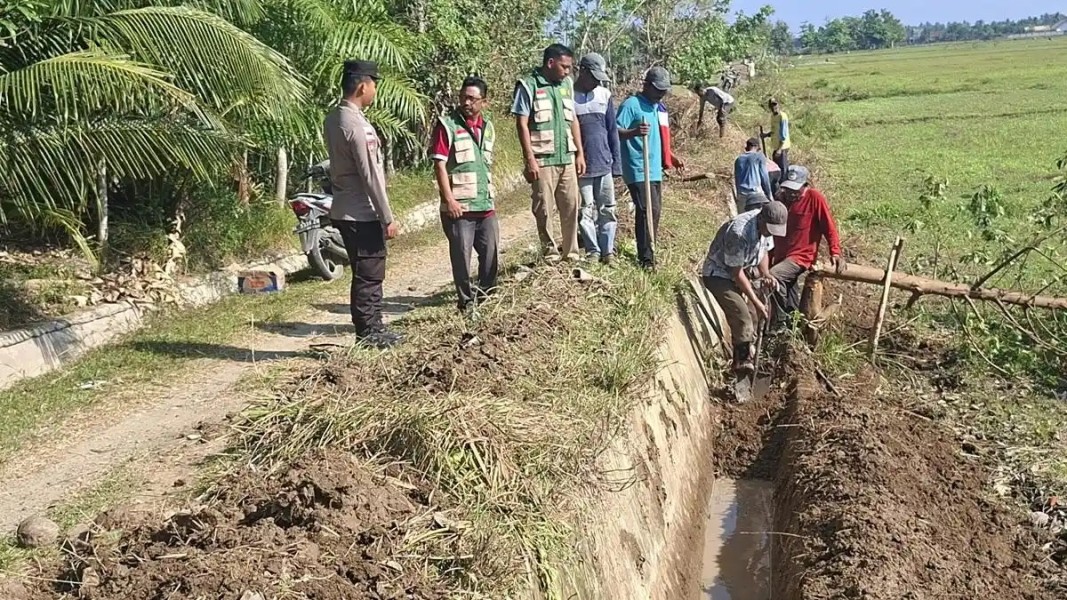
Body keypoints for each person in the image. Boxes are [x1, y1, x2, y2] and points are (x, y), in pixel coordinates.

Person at [323, 59, 401, 349]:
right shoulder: (357, 125)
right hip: (362, 211)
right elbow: (371, 176)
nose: (375, 91)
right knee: (370, 272)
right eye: (374, 85)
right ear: (362, 86)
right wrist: (387, 217)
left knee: (362, 271)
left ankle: (371, 328)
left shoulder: (334, 118)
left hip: (343, 206)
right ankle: (370, 332)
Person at [430, 76, 499, 313]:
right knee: (461, 256)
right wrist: (449, 200)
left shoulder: (488, 128)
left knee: (490, 254)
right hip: (459, 208)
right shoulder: (447, 126)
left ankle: (487, 297)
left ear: (484, 102)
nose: (466, 102)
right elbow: (439, 165)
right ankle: (466, 302)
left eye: (472, 98)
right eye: (463, 97)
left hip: (485, 205)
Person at [512, 43, 586, 262]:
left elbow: (572, 120)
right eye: (564, 66)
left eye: (569, 67)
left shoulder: (567, 85)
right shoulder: (528, 85)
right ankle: (550, 252)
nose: (567, 71)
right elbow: (521, 123)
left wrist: (580, 153)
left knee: (572, 204)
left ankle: (571, 252)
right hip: (543, 158)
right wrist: (530, 158)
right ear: (550, 63)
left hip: (567, 157)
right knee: (543, 207)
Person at [700, 202, 789, 375]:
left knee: (754, 316)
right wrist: (756, 302)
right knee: (741, 315)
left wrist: (766, 274)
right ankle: (741, 363)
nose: (770, 233)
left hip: (741, 271)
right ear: (761, 218)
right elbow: (737, 273)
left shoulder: (767, 227)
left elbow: (763, 251)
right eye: (769, 229)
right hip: (718, 274)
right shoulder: (739, 232)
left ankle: (747, 351)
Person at [617, 66, 685, 270]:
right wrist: (634, 132)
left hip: (654, 168)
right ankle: (646, 259)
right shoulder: (631, 105)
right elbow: (615, 130)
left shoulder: (658, 108)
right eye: (658, 90)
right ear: (646, 85)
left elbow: (658, 138)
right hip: (638, 167)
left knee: (655, 211)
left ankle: (650, 250)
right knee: (646, 210)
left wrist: (671, 157)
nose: (661, 94)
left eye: (664, 90)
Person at [769, 166, 845, 328]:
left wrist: (835, 252)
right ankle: (793, 327)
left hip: (801, 256)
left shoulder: (814, 198)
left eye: (795, 189)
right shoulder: (780, 198)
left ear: (805, 185)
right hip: (781, 255)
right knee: (789, 293)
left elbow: (829, 226)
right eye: (788, 188)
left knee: (773, 277)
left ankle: (781, 324)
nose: (790, 193)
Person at [574, 52, 622, 264]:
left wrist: (617, 163)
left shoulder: (604, 95)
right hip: (582, 166)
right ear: (582, 71)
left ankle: (607, 250)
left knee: (607, 209)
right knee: (585, 210)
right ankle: (592, 250)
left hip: (604, 163)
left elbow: (613, 131)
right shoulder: (569, 96)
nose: (596, 82)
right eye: (593, 76)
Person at [733, 137, 773, 214]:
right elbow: (764, 177)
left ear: (747, 147)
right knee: (758, 218)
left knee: (742, 218)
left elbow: (737, 179)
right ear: (757, 147)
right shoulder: (759, 156)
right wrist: (769, 194)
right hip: (755, 194)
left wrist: (738, 194)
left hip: (741, 194)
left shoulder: (738, 159)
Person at [761, 98, 791, 192]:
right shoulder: (773, 117)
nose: (774, 107)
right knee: (776, 168)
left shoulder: (783, 116)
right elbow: (774, 131)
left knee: (783, 169)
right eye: (772, 105)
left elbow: (784, 134)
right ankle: (777, 189)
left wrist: (779, 149)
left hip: (782, 147)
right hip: (776, 146)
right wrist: (766, 134)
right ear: (770, 107)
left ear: (778, 105)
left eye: (775, 105)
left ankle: (784, 189)